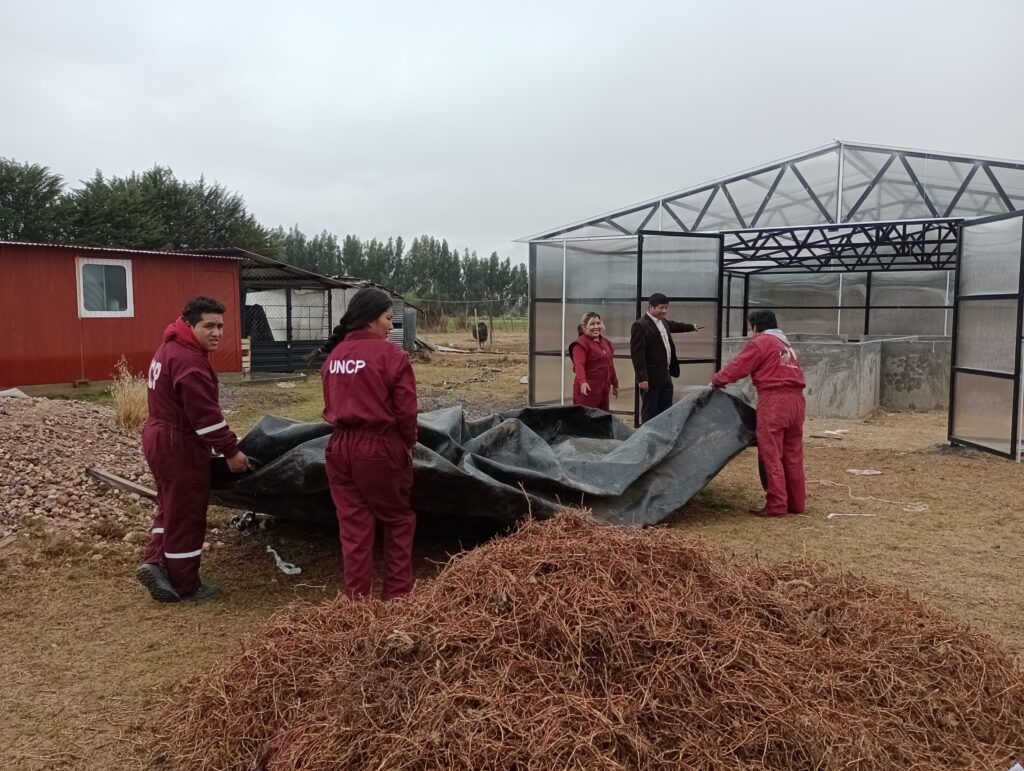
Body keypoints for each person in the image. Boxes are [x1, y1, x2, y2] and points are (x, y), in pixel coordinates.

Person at [137, 297, 250, 603]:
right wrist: (231, 451)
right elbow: (206, 419)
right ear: (190, 325)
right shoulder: (190, 362)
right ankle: (185, 583)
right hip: (178, 443)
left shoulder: (170, 348)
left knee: (170, 505)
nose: (216, 333)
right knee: (186, 512)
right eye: (208, 326)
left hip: (158, 435)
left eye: (220, 326)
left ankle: (157, 562)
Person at [321, 287, 418, 601]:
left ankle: (356, 603)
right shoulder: (391, 357)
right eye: (388, 319)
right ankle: (397, 598)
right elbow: (406, 412)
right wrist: (406, 445)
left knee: (354, 526)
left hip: (339, 448)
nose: (391, 327)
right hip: (378, 448)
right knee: (399, 520)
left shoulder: (334, 357)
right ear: (370, 319)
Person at [711, 309, 806, 518]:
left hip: (774, 401)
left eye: (750, 327)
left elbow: (739, 366)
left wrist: (718, 380)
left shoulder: (761, 342)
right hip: (797, 401)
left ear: (756, 327)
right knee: (793, 454)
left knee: (771, 453)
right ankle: (797, 503)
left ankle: (777, 504)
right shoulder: (785, 344)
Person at [629, 293, 704, 423]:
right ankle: (648, 439)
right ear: (651, 307)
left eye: (666, 308)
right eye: (661, 308)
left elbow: (676, 325)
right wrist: (642, 378)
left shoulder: (663, 322)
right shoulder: (640, 325)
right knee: (650, 411)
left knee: (666, 411)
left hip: (665, 375)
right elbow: (637, 354)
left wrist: (692, 327)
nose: (664, 311)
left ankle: (663, 438)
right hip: (650, 378)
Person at [567, 312, 619, 411]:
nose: (596, 327)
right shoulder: (580, 344)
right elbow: (579, 364)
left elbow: (610, 365)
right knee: (586, 420)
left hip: (604, 390)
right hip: (587, 390)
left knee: (602, 419)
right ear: (584, 327)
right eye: (592, 324)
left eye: (598, 323)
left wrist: (615, 383)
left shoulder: (606, 342)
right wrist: (582, 382)